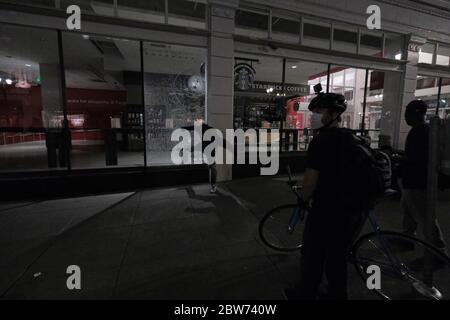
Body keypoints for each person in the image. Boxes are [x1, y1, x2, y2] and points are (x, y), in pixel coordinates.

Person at [284, 92, 365, 300]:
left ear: (333, 114)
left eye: (318, 112)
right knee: (337, 256)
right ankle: (337, 294)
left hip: (327, 209)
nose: (313, 117)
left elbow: (310, 181)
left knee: (313, 253)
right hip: (352, 210)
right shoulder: (351, 137)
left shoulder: (321, 141)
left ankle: (306, 293)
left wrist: (302, 199)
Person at [400, 100, 446, 252]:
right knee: (409, 213)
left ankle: (437, 252)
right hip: (413, 181)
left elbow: (418, 159)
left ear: (416, 114)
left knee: (425, 217)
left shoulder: (421, 132)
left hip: (417, 183)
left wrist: (402, 162)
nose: (406, 116)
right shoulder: (421, 131)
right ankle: (407, 239)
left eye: (408, 113)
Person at [182, 120, 218, 193]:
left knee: (213, 168)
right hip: (205, 148)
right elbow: (191, 127)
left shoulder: (207, 129)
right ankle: (213, 185)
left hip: (208, 150)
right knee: (212, 168)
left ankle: (213, 185)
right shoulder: (205, 128)